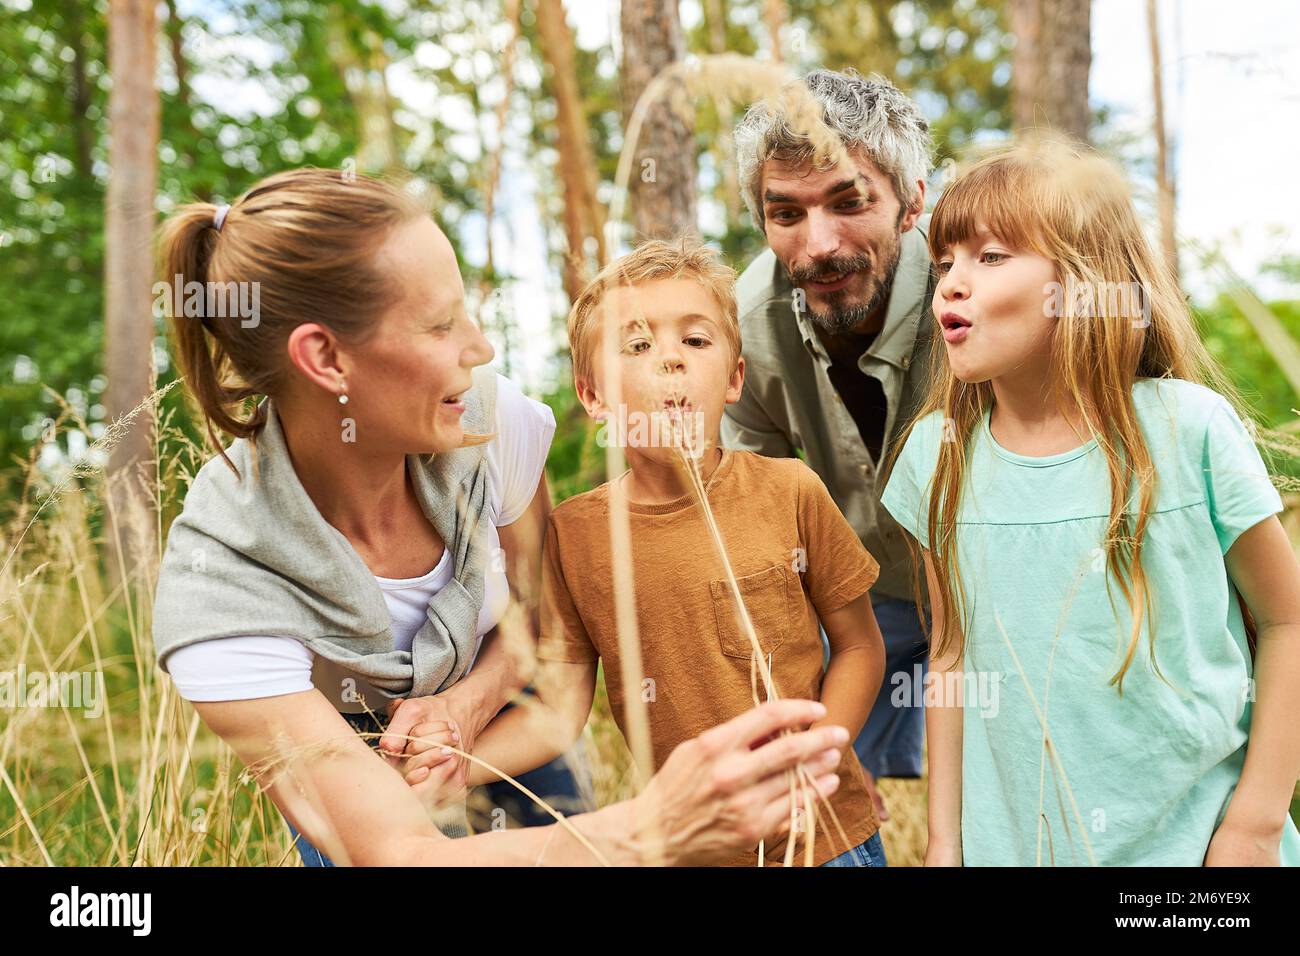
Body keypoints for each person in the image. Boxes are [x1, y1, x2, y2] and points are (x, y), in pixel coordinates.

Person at [150, 167, 849, 866]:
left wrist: (466, 707)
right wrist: (649, 833)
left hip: (506, 717)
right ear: (325, 357)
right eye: (440, 324)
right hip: (369, 772)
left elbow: (537, 606)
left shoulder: (482, 412)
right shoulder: (221, 585)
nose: (481, 349)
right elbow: (399, 852)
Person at [881, 137, 1300, 866]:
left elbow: (1288, 620)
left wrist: (1257, 822)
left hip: (1198, 857)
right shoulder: (935, 457)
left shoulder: (1187, 430)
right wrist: (944, 845)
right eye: (944, 261)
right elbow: (949, 657)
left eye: (990, 257)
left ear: (1081, 281)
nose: (950, 282)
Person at [458, 238, 888, 866]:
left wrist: (815, 753)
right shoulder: (574, 535)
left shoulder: (790, 489)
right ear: (593, 395)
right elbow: (558, 706)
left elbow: (859, 646)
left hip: (827, 837)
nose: (670, 361)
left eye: (695, 340)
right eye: (636, 345)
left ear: (735, 377)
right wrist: (457, 770)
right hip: (693, 849)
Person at [723, 69, 938, 816]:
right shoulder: (745, 326)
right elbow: (755, 530)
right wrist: (818, 734)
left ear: (912, 203)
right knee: (796, 783)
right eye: (786, 213)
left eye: (850, 202)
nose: (819, 246)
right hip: (868, 593)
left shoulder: (977, 288)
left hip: (995, 586)